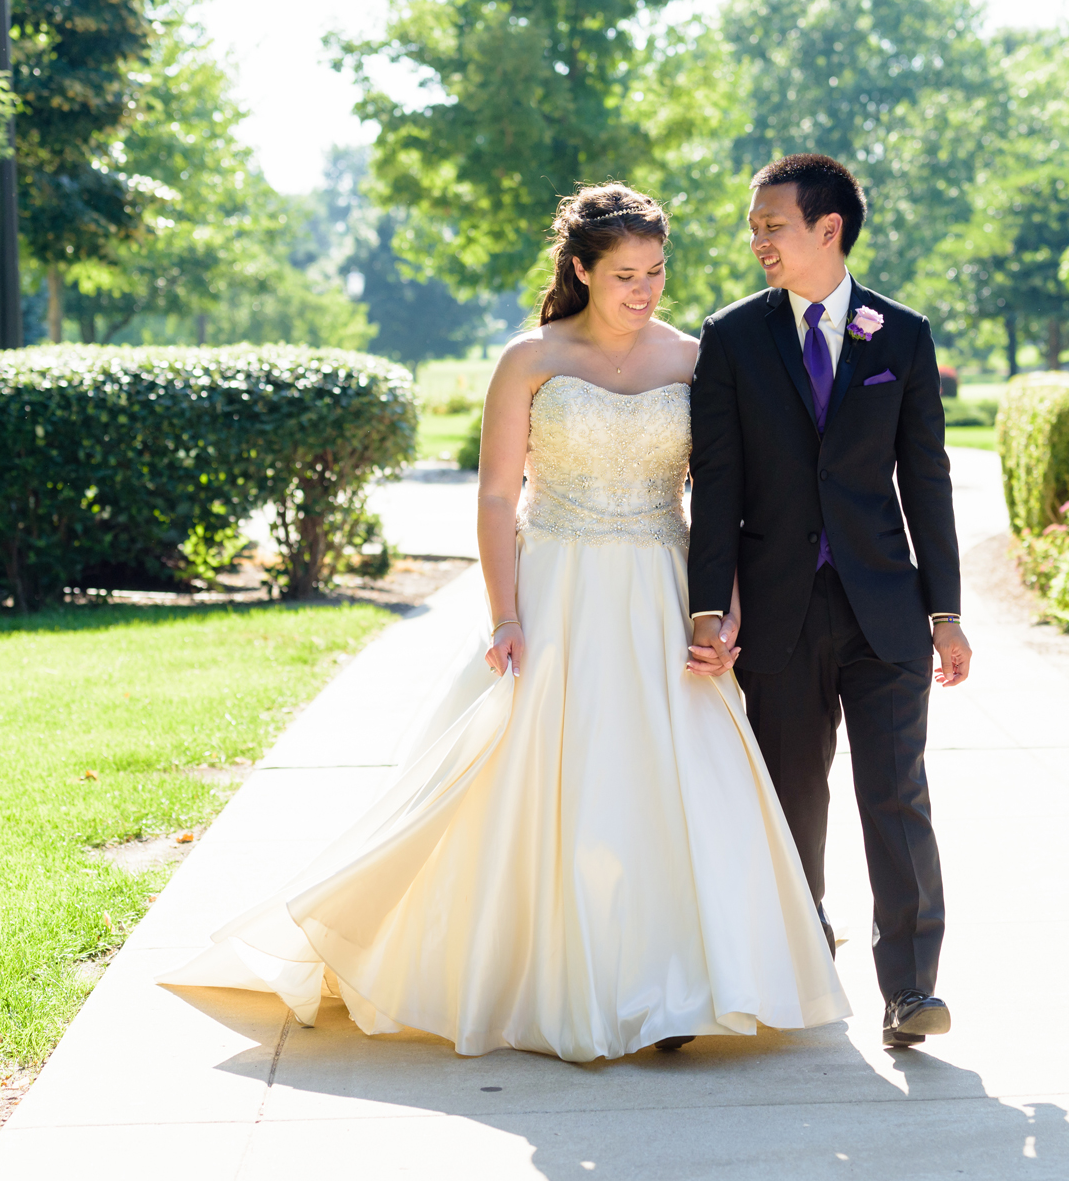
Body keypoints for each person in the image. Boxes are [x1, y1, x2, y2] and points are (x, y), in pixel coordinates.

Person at [159, 183, 848, 1062]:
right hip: (559, 584)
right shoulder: (529, 359)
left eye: (657, 272)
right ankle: (547, 974)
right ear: (582, 270)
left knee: (679, 782)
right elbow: (496, 496)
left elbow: (723, 499)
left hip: (660, 582)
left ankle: (682, 984)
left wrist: (723, 607)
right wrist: (505, 613)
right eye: (627, 274)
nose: (645, 291)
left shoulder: (694, 359)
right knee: (549, 780)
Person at [685, 153, 970, 1049]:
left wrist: (946, 610)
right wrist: (705, 610)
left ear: (828, 229)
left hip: (884, 605)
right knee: (789, 798)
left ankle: (912, 988)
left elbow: (927, 479)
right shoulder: (730, 338)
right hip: (776, 612)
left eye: (773, 224)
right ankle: (800, 952)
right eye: (756, 225)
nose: (758, 238)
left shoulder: (904, 335)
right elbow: (718, 483)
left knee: (896, 796)